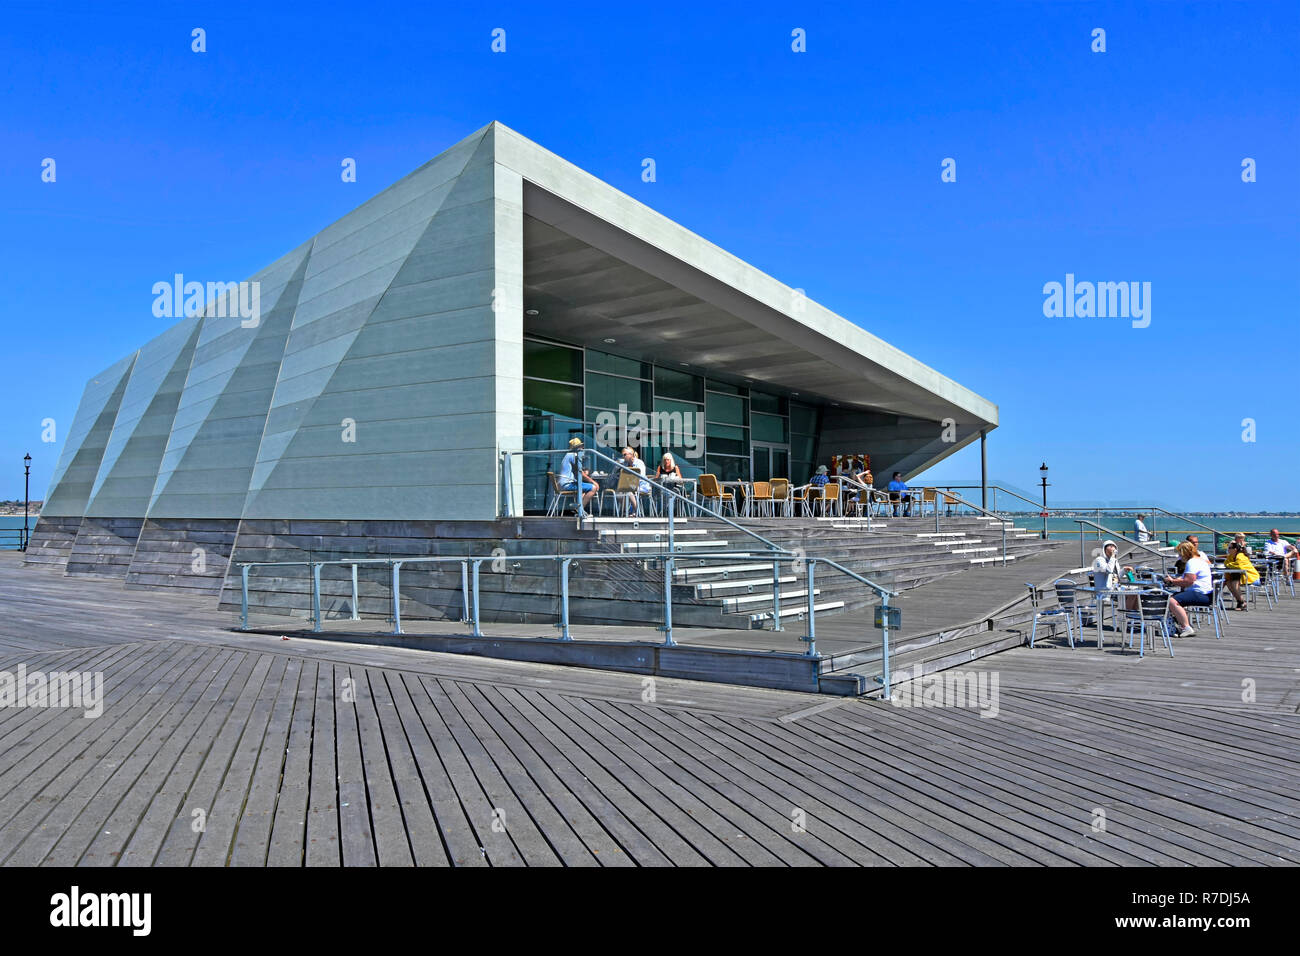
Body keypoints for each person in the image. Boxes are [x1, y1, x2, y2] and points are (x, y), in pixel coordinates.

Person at [1163, 541, 1213, 638]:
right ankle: (1180, 623)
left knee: (1171, 601)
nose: (1179, 557)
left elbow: (1189, 581)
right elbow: (1187, 579)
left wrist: (1172, 581)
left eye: (1180, 554)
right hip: (1206, 593)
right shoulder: (1200, 560)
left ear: (1185, 553)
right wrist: (1176, 580)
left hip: (1200, 593)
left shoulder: (1192, 562)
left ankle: (1186, 627)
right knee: (1173, 597)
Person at [1091, 540, 1137, 610]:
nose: (1112, 548)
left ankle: (1131, 614)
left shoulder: (1114, 561)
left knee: (1136, 591)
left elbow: (1116, 577)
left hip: (1116, 589)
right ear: (1104, 549)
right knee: (1132, 594)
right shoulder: (1099, 560)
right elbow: (1108, 570)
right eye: (1110, 546)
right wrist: (1112, 557)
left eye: (1114, 546)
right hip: (1105, 592)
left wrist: (1124, 570)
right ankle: (1126, 613)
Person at [558, 437, 598, 511]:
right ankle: (580, 511)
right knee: (593, 488)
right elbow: (579, 472)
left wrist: (583, 473)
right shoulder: (573, 455)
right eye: (581, 446)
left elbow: (576, 471)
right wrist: (593, 482)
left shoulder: (568, 455)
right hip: (567, 485)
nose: (582, 448)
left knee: (584, 489)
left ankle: (577, 509)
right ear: (577, 448)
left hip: (563, 484)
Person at [1222, 541, 1259, 610]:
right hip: (1239, 575)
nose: (1228, 549)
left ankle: (1241, 603)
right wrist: (1230, 565)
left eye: (1230, 548)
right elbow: (1225, 563)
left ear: (1235, 549)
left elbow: (1239, 566)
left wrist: (1229, 565)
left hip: (1251, 577)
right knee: (1228, 582)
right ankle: (1240, 601)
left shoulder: (1241, 556)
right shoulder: (1230, 556)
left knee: (1234, 583)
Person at [620, 446, 650, 515]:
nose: (623, 457)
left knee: (629, 491)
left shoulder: (639, 463)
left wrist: (630, 481)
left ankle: (636, 511)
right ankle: (627, 511)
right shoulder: (625, 463)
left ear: (631, 455)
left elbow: (641, 477)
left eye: (624, 454)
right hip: (629, 485)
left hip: (642, 485)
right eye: (623, 455)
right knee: (619, 493)